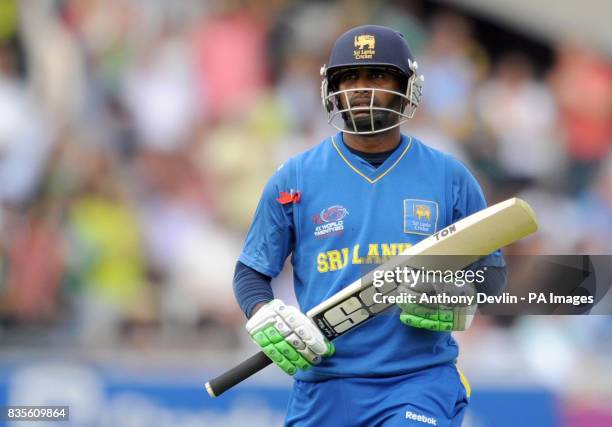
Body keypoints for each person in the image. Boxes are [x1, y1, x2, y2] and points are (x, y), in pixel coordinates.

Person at [233, 25, 507, 427]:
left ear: (406, 86)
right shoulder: (295, 177)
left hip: (418, 380)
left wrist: (461, 295)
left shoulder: (450, 177)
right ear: (333, 89)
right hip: (323, 386)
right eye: (350, 78)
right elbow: (251, 272)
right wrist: (265, 312)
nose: (361, 89)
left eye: (377, 76)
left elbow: (493, 273)